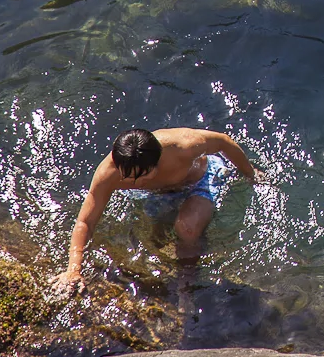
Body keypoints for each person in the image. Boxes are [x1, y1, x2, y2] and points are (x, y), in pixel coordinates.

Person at [52, 126, 265, 294]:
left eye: (139, 177)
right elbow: (85, 222)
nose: (129, 182)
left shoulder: (184, 145)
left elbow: (223, 142)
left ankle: (187, 282)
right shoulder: (110, 173)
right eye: (126, 176)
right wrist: (73, 270)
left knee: (187, 229)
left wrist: (250, 173)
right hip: (158, 194)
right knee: (156, 242)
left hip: (200, 180)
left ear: (158, 162)